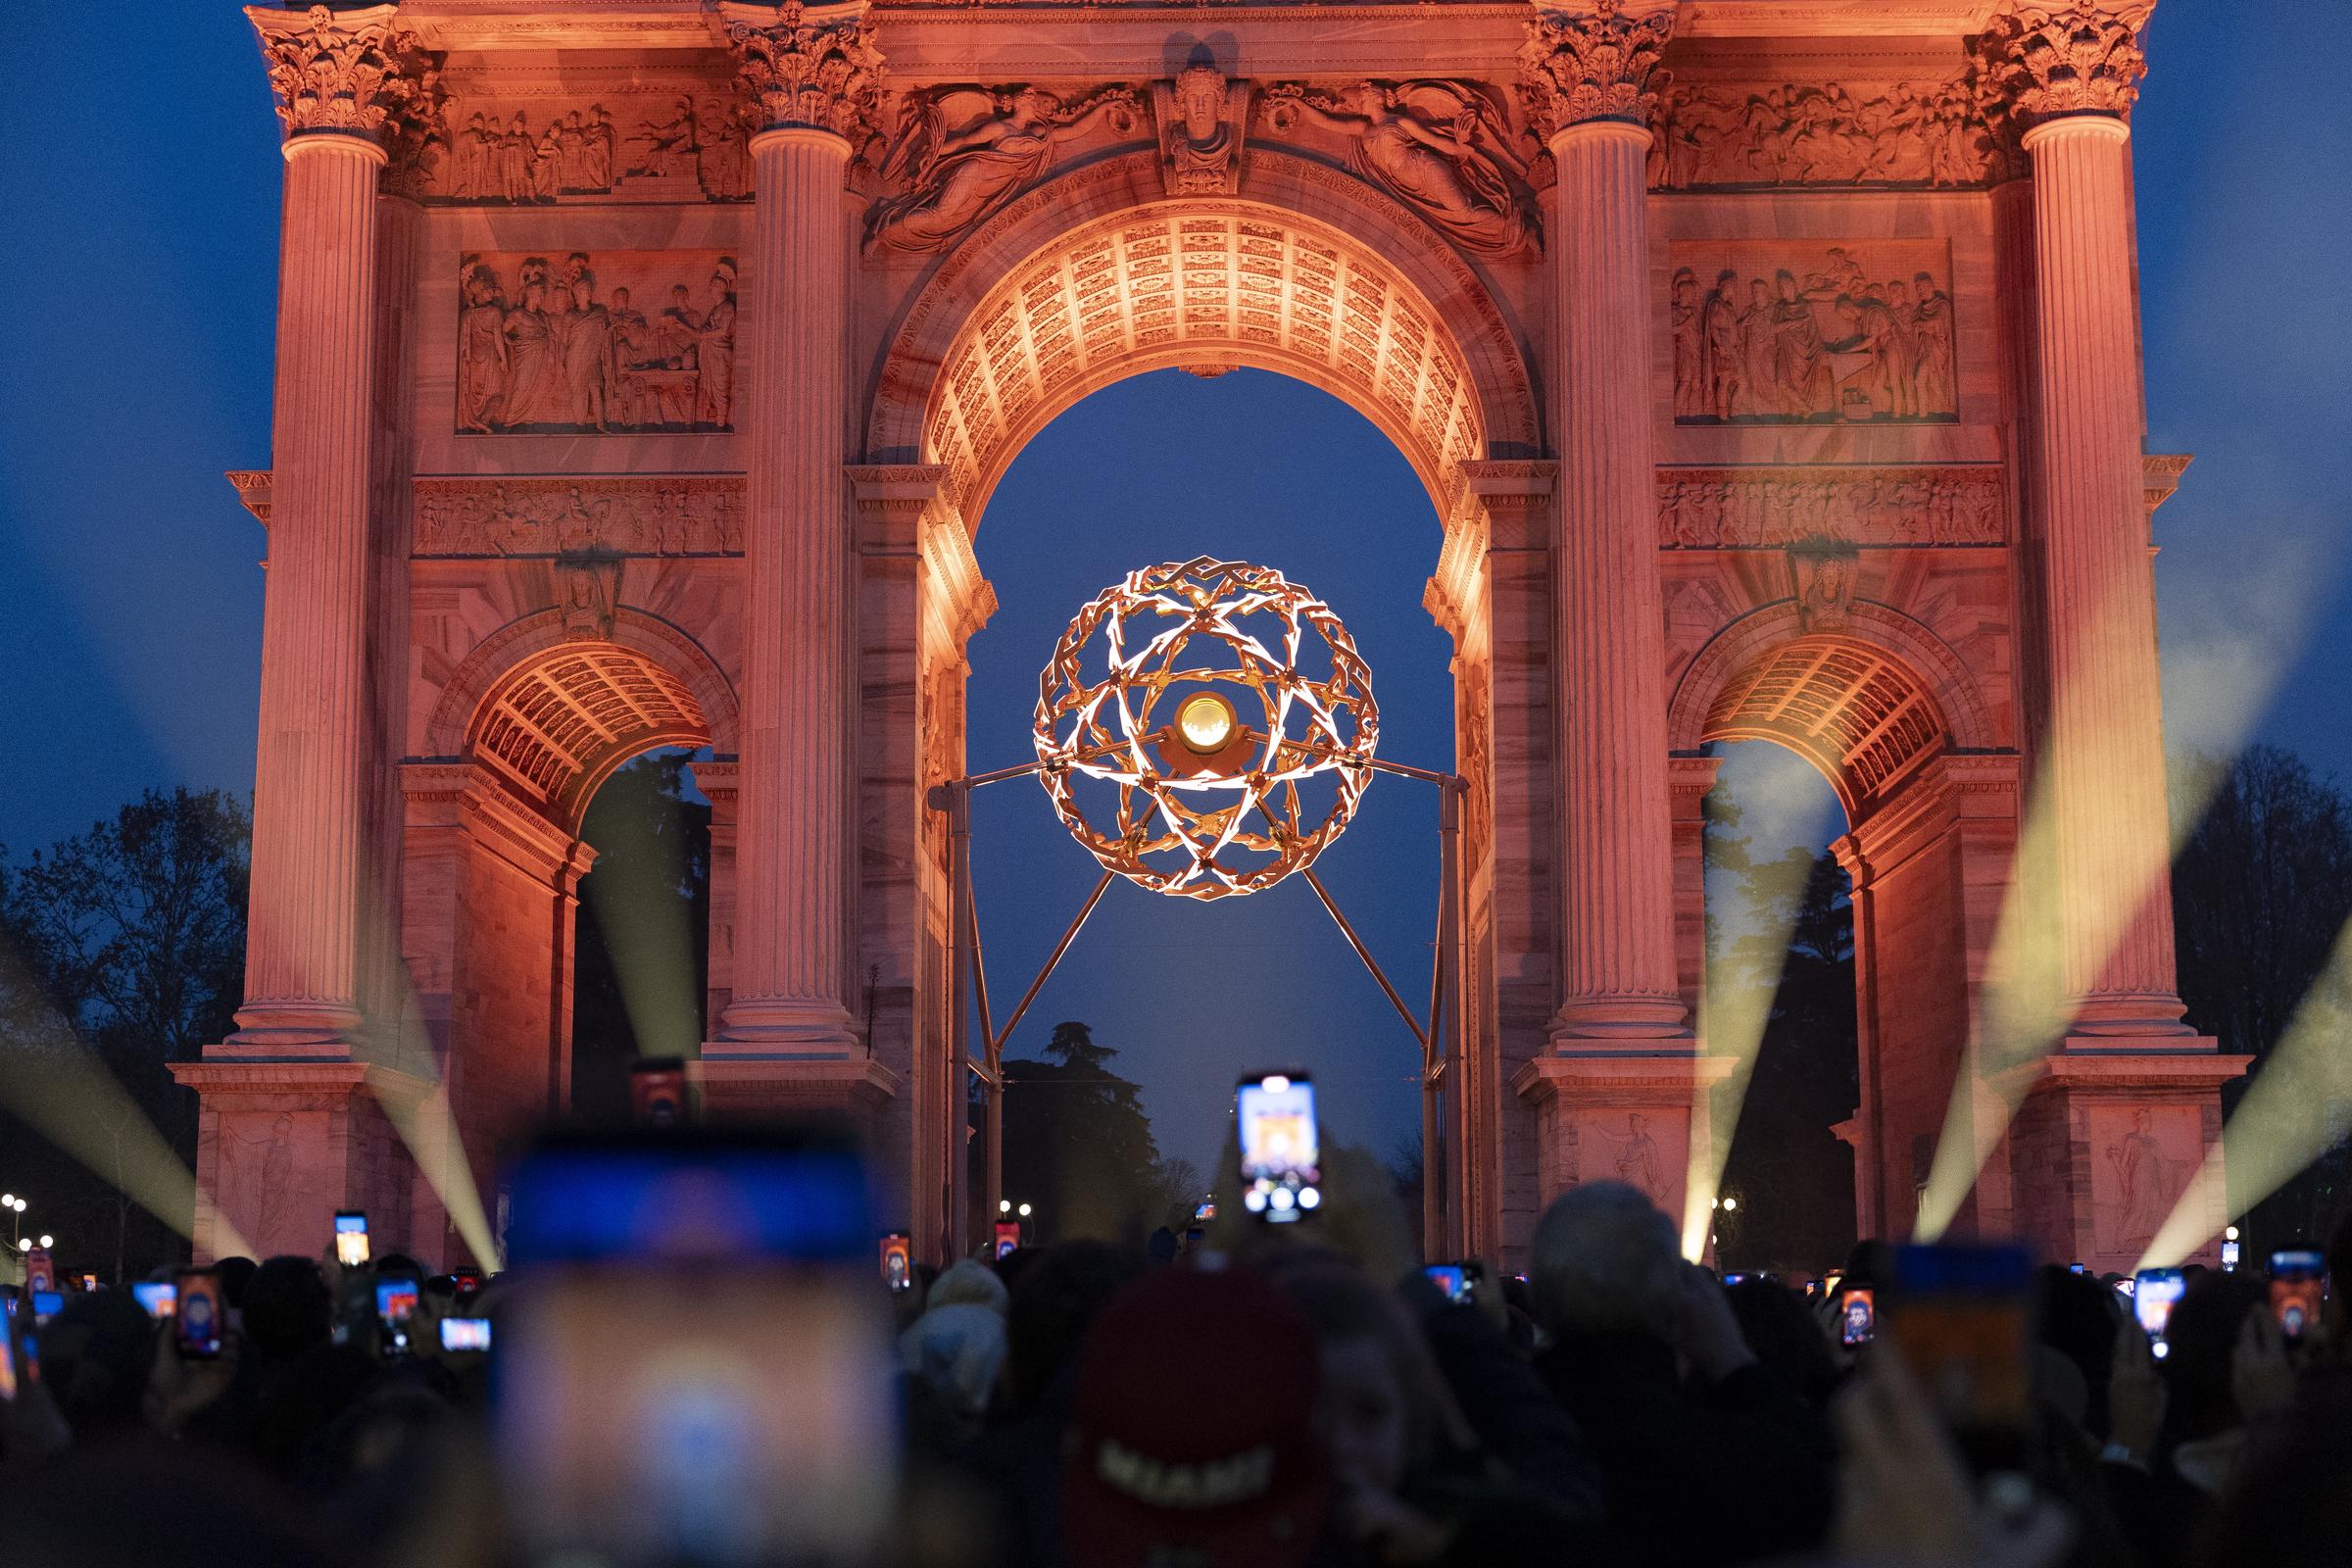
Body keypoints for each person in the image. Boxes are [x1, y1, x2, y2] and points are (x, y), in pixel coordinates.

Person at [1528, 1181, 1833, 1565]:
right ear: (1672, 1292)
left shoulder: (1505, 1423)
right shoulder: (1711, 1452)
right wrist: (1733, 1360)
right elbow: (1824, 1481)